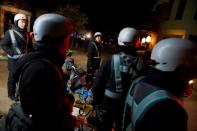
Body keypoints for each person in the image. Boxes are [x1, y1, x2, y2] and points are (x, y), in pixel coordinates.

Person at [4, 13, 74, 131]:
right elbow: (41, 116)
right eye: (67, 39)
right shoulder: (40, 69)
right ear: (54, 41)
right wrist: (65, 113)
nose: (68, 45)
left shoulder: (47, 63)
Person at [122, 38, 197, 131]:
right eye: (190, 73)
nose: (192, 77)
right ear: (181, 70)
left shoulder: (139, 82)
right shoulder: (171, 110)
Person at [91, 27, 145, 131]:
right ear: (136, 43)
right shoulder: (141, 64)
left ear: (119, 41)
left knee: (103, 127)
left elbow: (98, 84)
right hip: (126, 108)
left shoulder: (111, 59)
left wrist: (96, 102)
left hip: (107, 105)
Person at [0, 13, 33, 101]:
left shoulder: (26, 34)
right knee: (13, 77)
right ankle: (11, 94)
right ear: (16, 22)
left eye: (25, 22)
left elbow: (29, 47)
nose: (24, 23)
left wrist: (31, 55)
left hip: (24, 60)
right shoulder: (9, 33)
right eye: (22, 21)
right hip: (13, 61)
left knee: (22, 77)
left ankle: (20, 93)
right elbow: (3, 45)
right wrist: (12, 53)